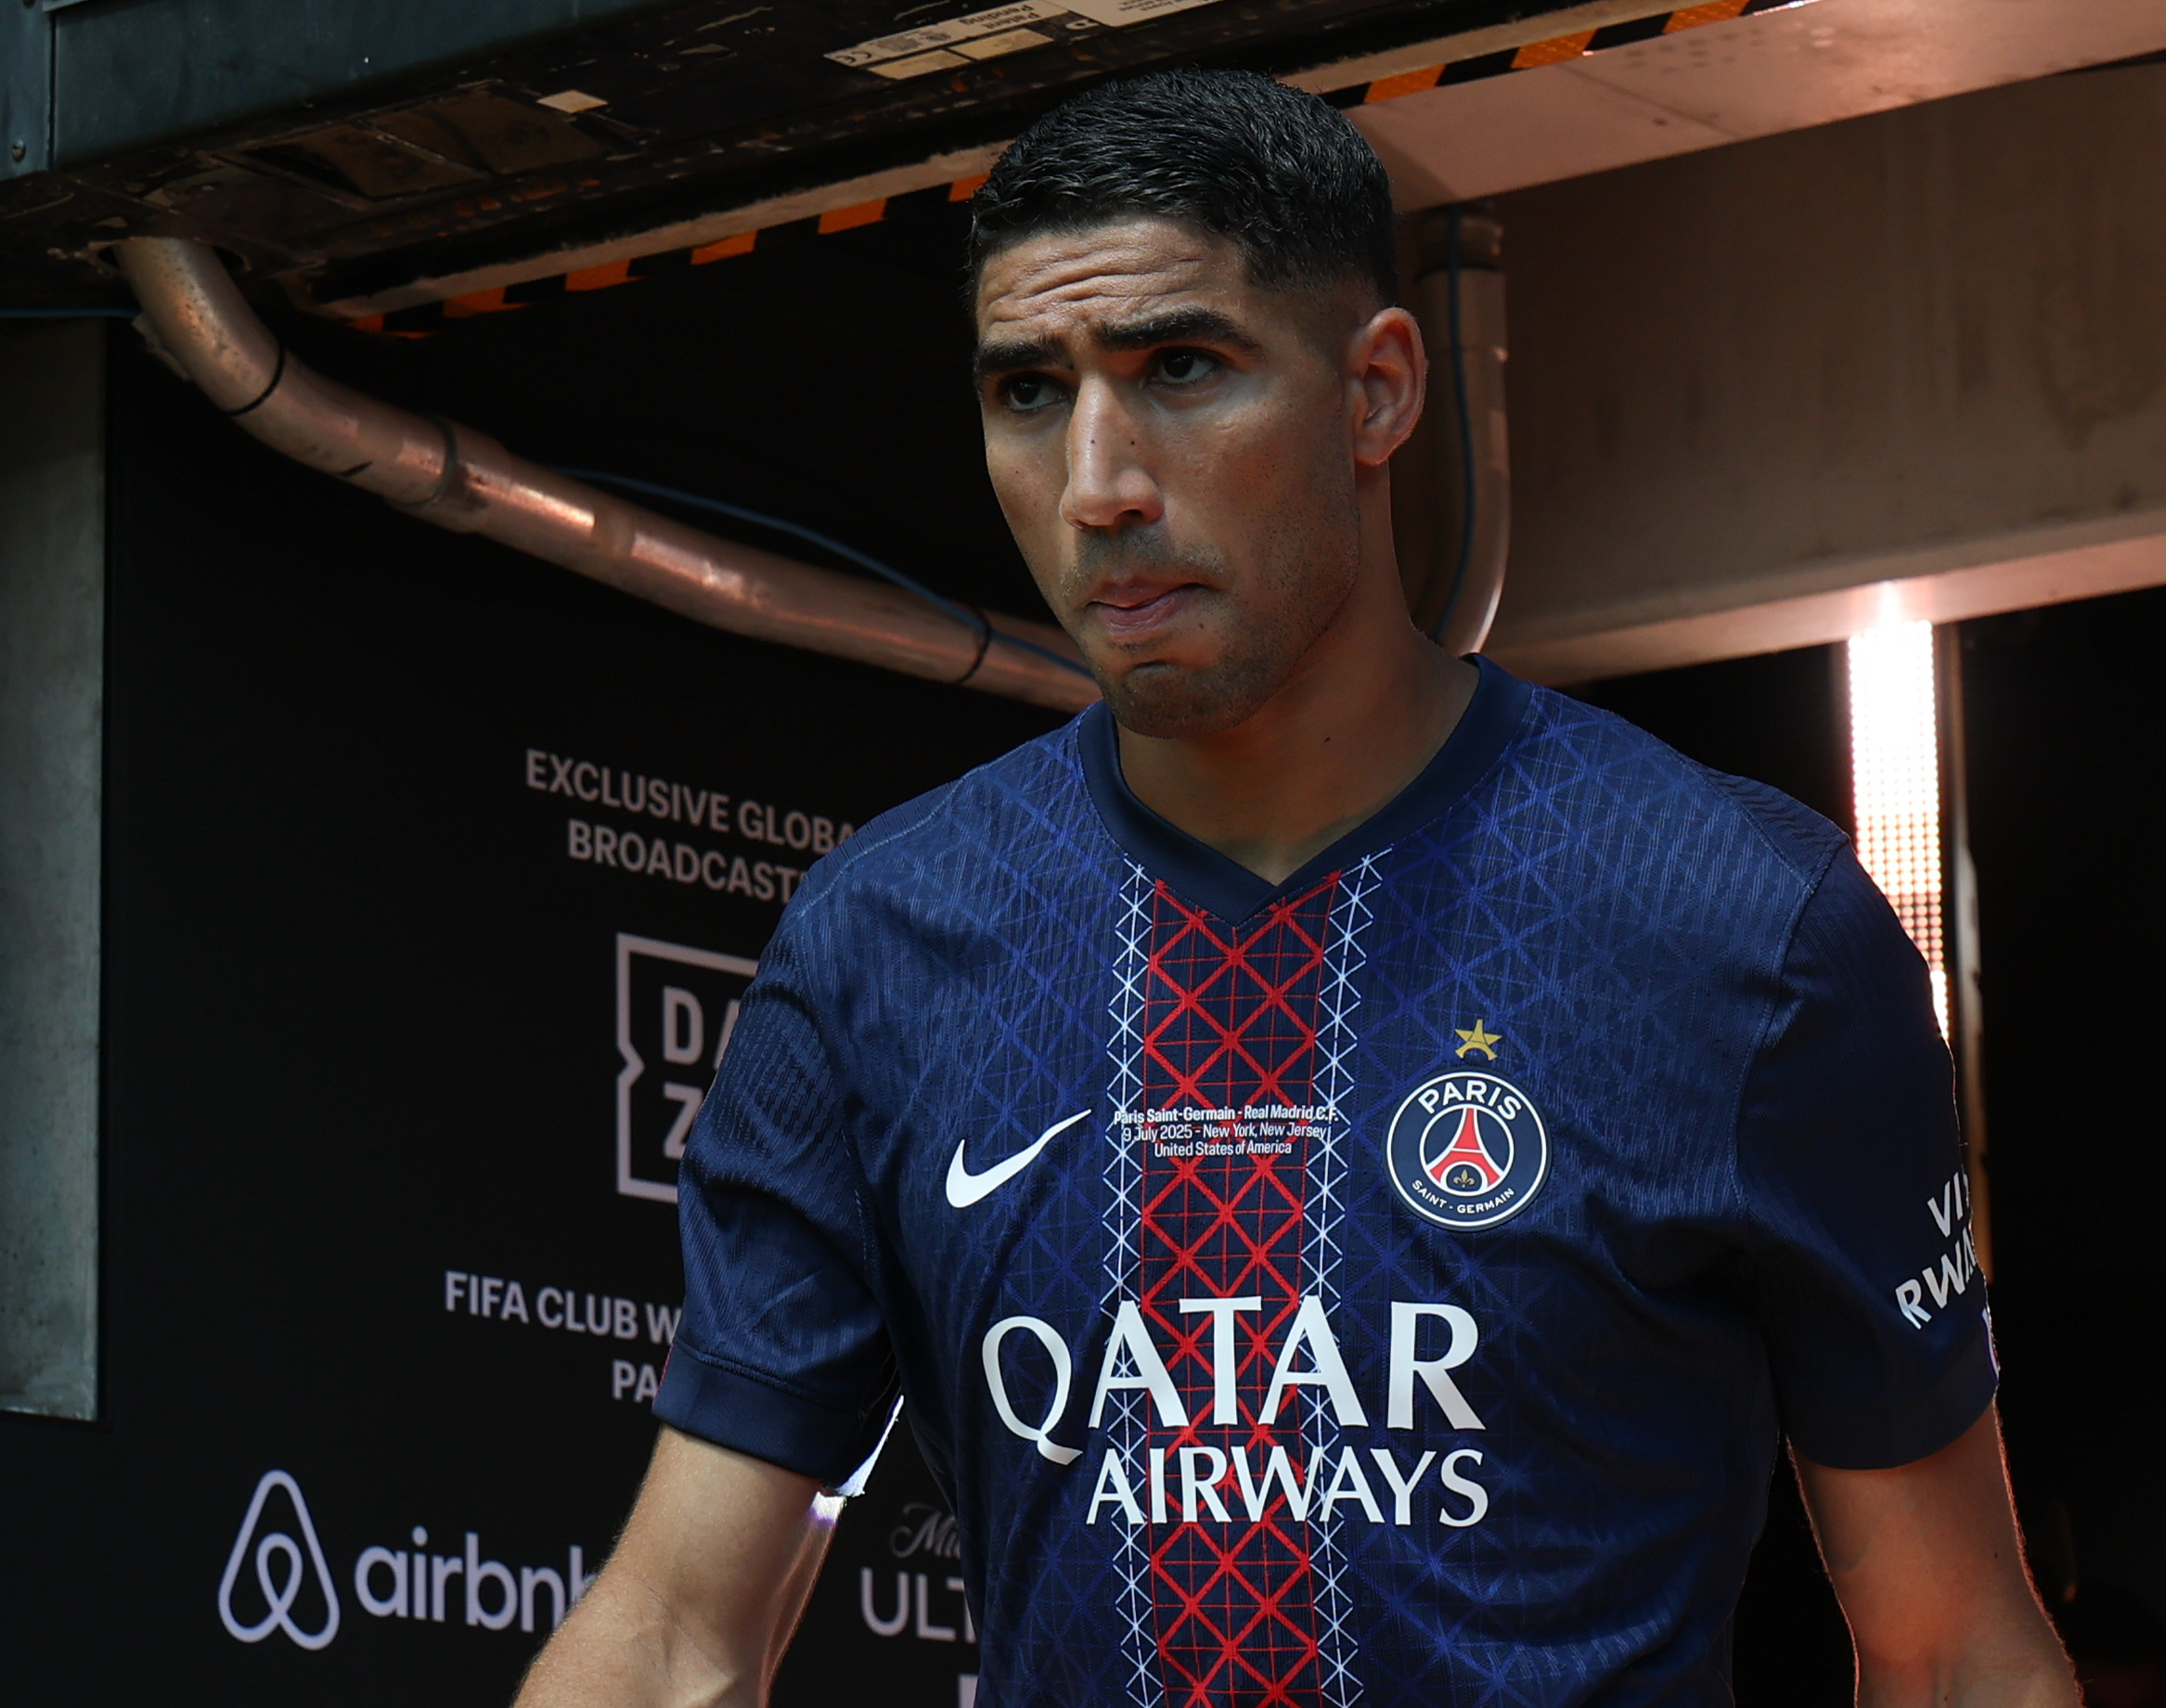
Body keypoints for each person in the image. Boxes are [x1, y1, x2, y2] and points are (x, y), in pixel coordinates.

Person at [515, 68, 2075, 1708]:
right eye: (1029, 392)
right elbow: (676, 1632)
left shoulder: (1734, 925)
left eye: (1181, 368)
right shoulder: (879, 954)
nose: (1100, 482)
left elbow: (1955, 1648)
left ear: (1378, 392)